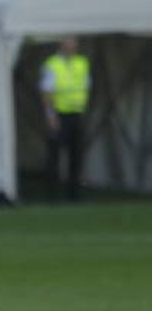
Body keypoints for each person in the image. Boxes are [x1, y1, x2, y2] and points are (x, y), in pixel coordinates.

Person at [40, 37, 89, 201]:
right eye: (68, 44)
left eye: (73, 44)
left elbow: (86, 87)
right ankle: (52, 194)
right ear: (61, 45)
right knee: (54, 155)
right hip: (59, 114)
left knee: (76, 154)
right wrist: (50, 116)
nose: (71, 47)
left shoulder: (81, 63)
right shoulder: (52, 64)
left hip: (77, 113)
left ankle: (74, 194)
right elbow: (46, 92)